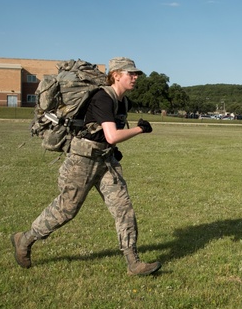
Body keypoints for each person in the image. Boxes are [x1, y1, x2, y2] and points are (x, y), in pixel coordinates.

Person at [11, 57, 161, 276]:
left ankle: (133, 263)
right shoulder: (103, 98)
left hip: (105, 160)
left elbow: (105, 136)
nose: (135, 77)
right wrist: (139, 130)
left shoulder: (123, 101)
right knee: (66, 209)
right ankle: (24, 240)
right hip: (82, 160)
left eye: (136, 73)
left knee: (123, 208)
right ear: (116, 74)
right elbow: (112, 135)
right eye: (131, 73)